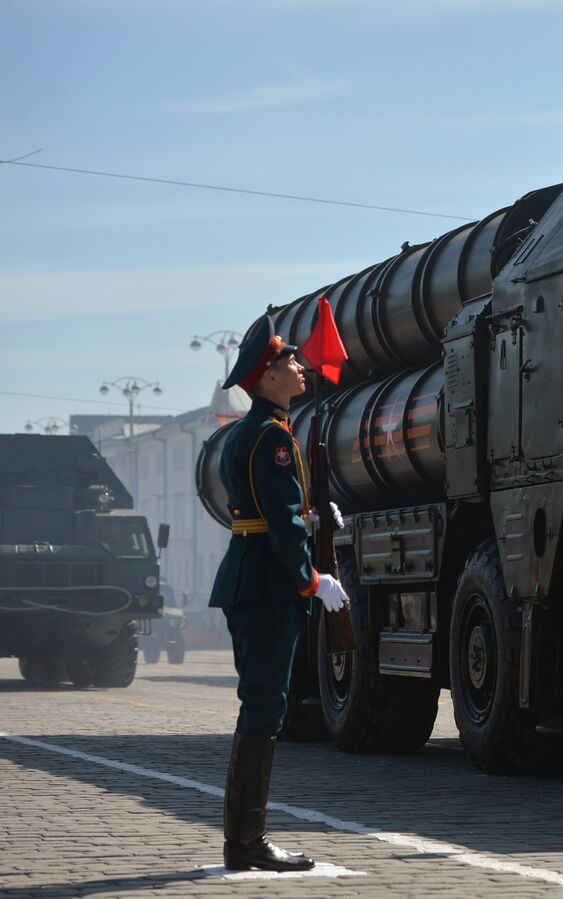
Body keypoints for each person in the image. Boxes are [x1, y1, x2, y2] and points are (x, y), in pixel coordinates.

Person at [209, 315, 349, 872]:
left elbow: (267, 511)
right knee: (265, 708)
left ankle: (244, 839)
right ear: (267, 379)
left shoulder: (246, 433)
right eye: (288, 361)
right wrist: (312, 579)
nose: (299, 366)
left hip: (250, 578)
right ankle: (247, 842)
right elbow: (280, 524)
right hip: (269, 584)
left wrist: (311, 514)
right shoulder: (272, 438)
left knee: (262, 705)